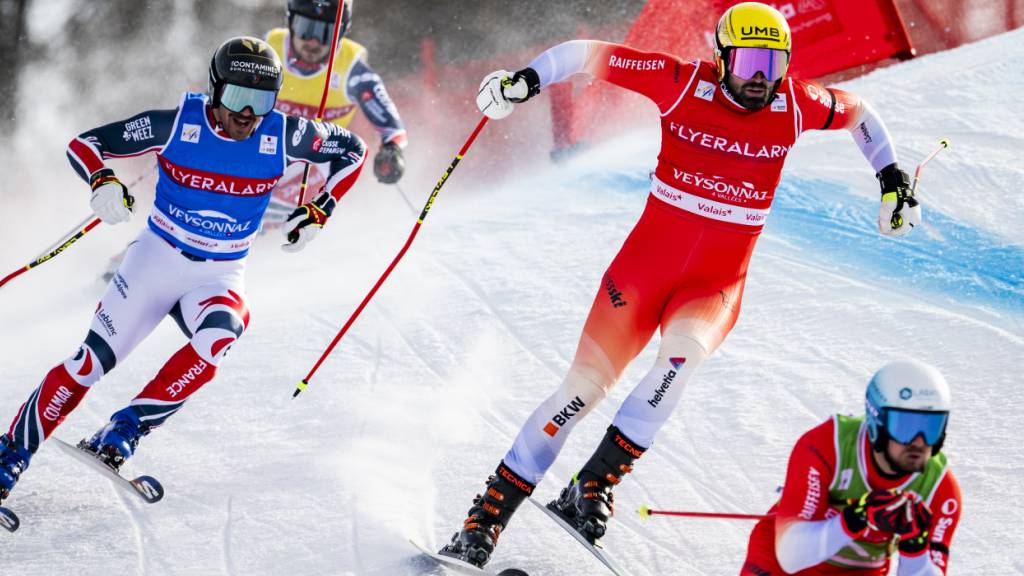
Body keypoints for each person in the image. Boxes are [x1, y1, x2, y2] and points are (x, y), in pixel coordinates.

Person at [441, 2, 924, 568]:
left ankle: (590, 489)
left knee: (678, 365)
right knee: (579, 395)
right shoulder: (678, 83)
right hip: (640, 278)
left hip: (714, 288)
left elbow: (860, 112)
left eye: (774, 64)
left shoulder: (796, 104)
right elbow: (581, 56)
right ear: (720, 60)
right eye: (748, 62)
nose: (760, 78)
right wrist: (524, 82)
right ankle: (483, 523)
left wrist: (892, 177)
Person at [0, 36, 366, 502]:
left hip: (220, 273)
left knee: (220, 337)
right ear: (215, 90)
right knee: (88, 364)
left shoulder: (287, 134)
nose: (248, 114)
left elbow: (352, 150)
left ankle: (123, 432)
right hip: (156, 259)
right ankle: (8, 459)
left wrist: (320, 209)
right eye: (237, 98)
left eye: (261, 100)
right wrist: (102, 180)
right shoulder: (176, 125)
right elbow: (86, 144)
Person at [740, 360, 961, 575]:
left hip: (859, 569)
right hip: (782, 557)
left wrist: (915, 548)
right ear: (877, 422)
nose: (919, 442)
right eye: (905, 428)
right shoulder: (827, 445)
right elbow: (791, 557)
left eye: (932, 427)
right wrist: (857, 518)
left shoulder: (940, 489)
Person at [263, 0, 408, 226]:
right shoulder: (268, 51)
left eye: (326, 33)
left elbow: (389, 122)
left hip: (315, 163)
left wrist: (392, 149)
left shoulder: (351, 68)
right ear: (290, 21)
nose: (313, 41)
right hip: (266, 152)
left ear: (342, 32)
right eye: (305, 28)